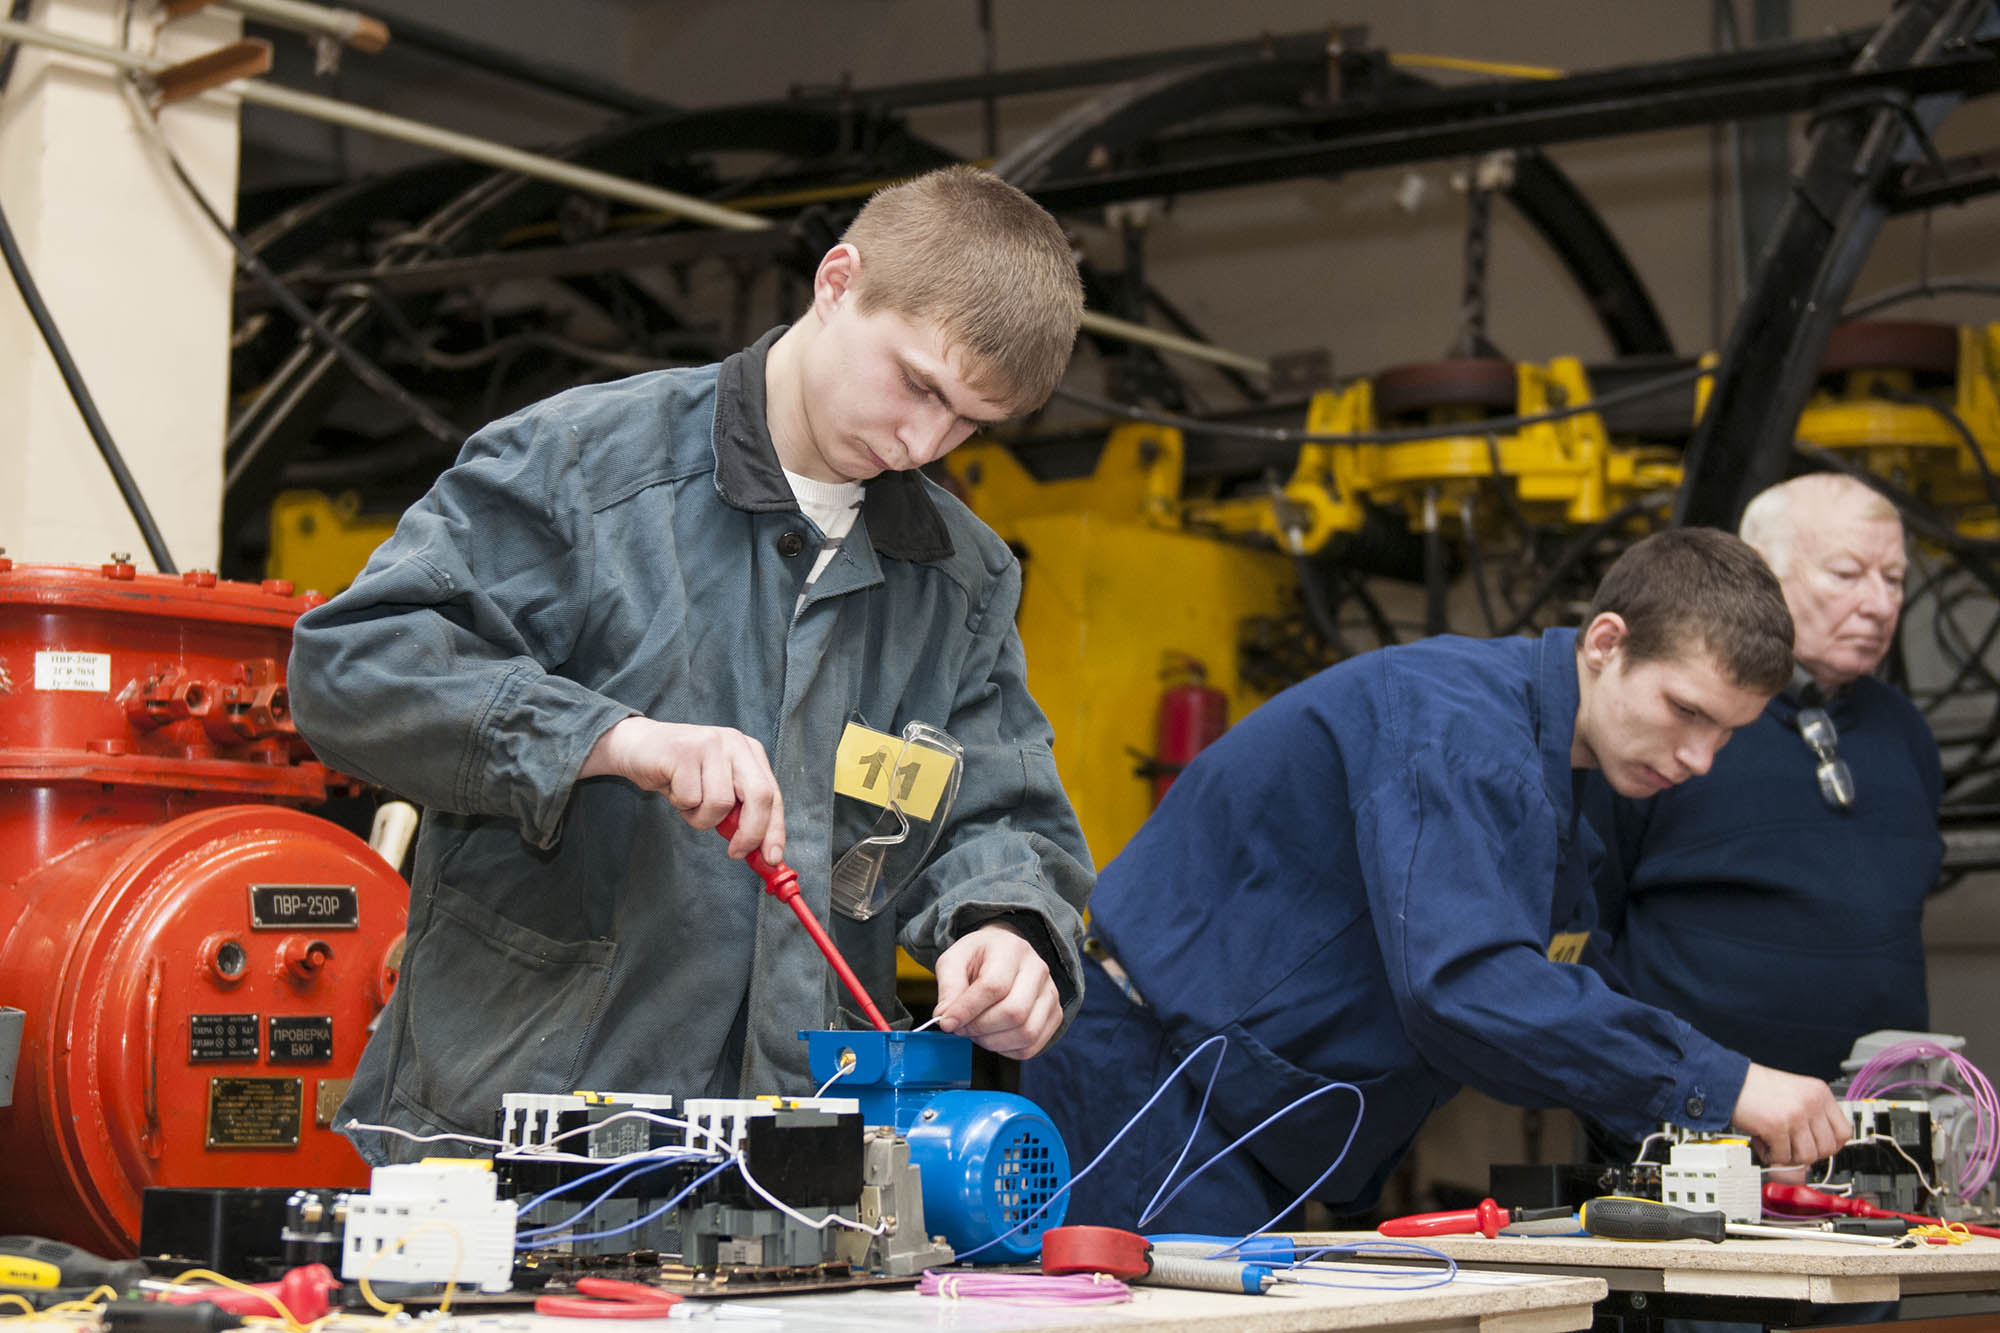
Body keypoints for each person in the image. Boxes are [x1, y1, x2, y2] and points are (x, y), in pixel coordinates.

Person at [288, 166, 1095, 1162]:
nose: (923, 440)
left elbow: (997, 809)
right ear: (836, 282)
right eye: (918, 384)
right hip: (515, 1156)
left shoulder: (956, 578)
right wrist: (611, 739)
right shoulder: (580, 470)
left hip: (795, 1173)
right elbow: (351, 666)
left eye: (969, 421)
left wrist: (1007, 928)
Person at [1019, 529, 1853, 1234]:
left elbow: (1554, 995)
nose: (1699, 759)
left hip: (1244, 1117)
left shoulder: (1550, 787)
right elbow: (1468, 985)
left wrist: (1702, 1132)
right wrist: (1728, 1082)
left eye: (1727, 734)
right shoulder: (1458, 736)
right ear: (1606, 642)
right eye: (1687, 710)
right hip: (1156, 1088)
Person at [1586, 474, 1943, 1088]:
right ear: (1763, 577)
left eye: (1894, 578)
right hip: (1694, 1124)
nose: (1881, 604)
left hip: (1880, 1126)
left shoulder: (1904, 730)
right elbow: (1590, 921)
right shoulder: (1670, 726)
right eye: (1847, 573)